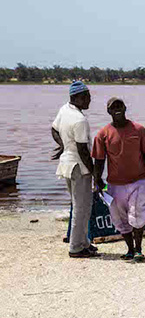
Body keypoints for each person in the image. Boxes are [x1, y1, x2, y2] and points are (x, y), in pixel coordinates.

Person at [92, 97, 145, 262]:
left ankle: (138, 249)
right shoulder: (102, 135)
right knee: (119, 218)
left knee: (138, 215)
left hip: (138, 181)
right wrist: (97, 180)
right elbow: (99, 161)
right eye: (113, 107)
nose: (117, 109)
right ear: (108, 111)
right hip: (115, 184)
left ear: (125, 107)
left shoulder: (139, 130)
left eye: (119, 106)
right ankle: (129, 249)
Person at [51, 81, 99, 258]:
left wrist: (64, 145)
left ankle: (84, 241)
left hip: (67, 165)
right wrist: (94, 172)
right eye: (86, 97)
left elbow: (54, 129)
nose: (89, 100)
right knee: (82, 207)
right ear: (77, 98)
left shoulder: (65, 110)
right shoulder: (80, 120)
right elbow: (83, 150)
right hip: (79, 167)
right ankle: (75, 248)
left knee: (80, 205)